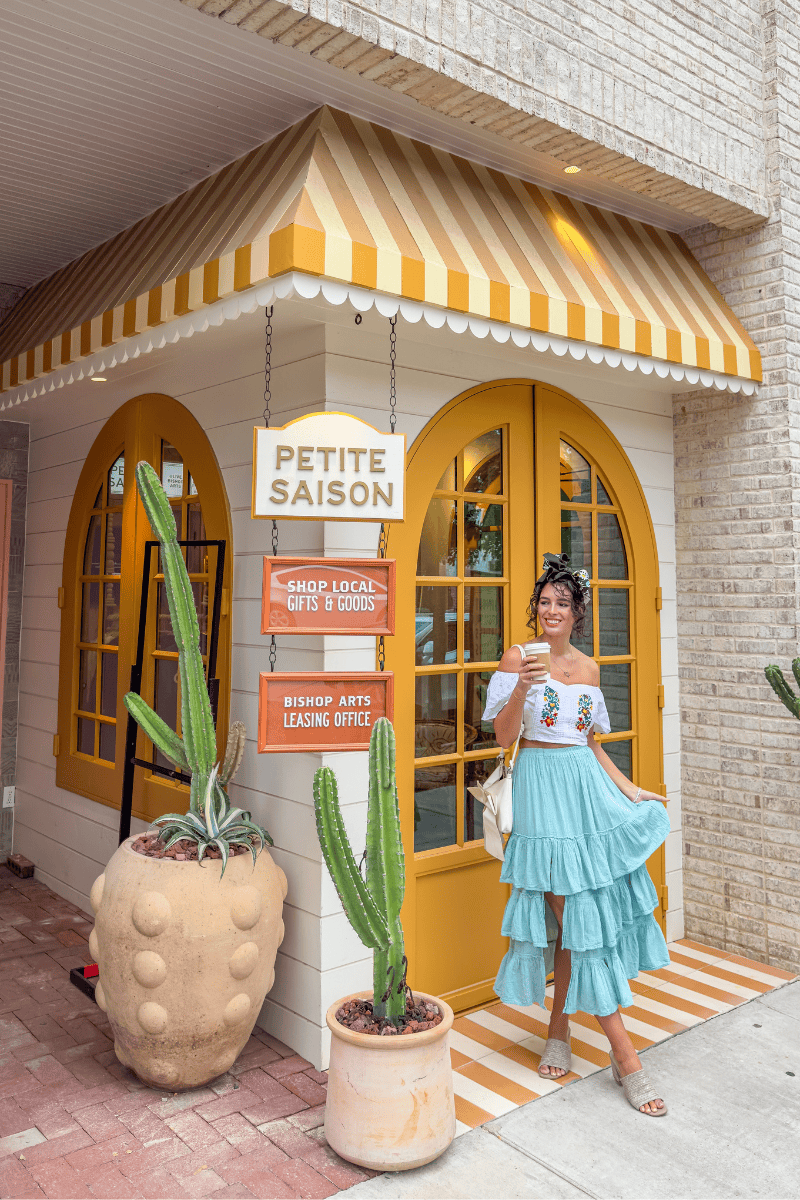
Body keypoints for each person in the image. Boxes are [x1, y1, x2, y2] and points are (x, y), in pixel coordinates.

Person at [482, 552, 671, 1115]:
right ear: (534, 608)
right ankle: (624, 1054)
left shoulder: (588, 670)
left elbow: (589, 742)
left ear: (577, 612)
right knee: (574, 915)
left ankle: (559, 1028)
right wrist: (523, 685)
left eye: (563, 603)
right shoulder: (518, 657)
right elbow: (501, 737)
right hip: (541, 790)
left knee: (575, 919)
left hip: (584, 789)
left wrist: (630, 788)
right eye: (544, 601)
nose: (552, 610)